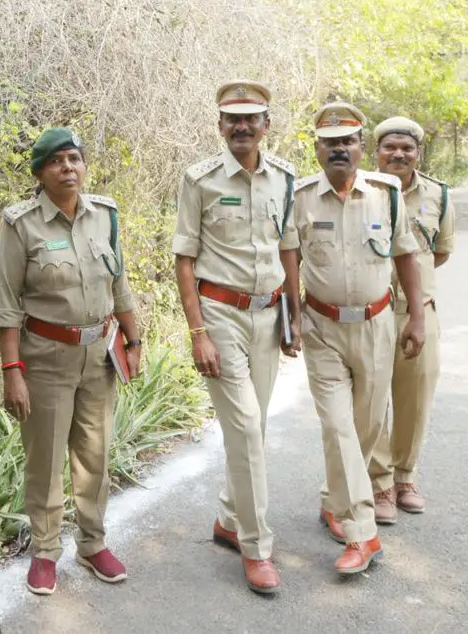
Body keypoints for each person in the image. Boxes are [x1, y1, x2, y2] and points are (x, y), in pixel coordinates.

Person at [0, 128, 143, 597]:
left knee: (94, 456)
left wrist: (134, 339)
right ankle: (44, 551)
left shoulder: (106, 216)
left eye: (75, 159)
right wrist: (11, 371)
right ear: (40, 173)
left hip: (98, 355)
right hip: (45, 359)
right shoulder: (21, 225)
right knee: (46, 457)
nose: (68, 168)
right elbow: (7, 304)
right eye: (57, 161)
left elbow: (120, 285)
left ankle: (93, 542)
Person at [280, 102, 426, 576]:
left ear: (361, 148)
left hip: (377, 325)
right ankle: (362, 532)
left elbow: (406, 256)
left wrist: (417, 317)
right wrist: (292, 319)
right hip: (321, 328)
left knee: (365, 428)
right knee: (339, 427)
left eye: (347, 141)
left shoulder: (386, 194)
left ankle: (333, 499)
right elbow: (289, 262)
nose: (338, 149)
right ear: (317, 149)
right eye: (329, 142)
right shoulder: (299, 196)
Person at [171, 79, 298, 595]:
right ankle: (256, 546)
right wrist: (197, 330)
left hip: (268, 317)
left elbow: (288, 248)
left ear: (267, 125)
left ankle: (228, 517)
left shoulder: (286, 178)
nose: (241, 127)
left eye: (251, 119)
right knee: (245, 427)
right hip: (219, 315)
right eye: (232, 119)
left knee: (256, 427)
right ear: (220, 125)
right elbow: (183, 260)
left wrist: (295, 312)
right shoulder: (198, 179)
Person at [368, 116, 456, 521]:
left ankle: (405, 476)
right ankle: (379, 483)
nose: (398, 154)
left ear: (418, 153)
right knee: (369, 400)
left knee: (415, 397)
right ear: (377, 153)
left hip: (420, 313)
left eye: (407, 148)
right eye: (390, 147)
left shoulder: (439, 194)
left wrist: (415, 296)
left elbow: (439, 251)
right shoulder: (361, 192)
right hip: (371, 311)